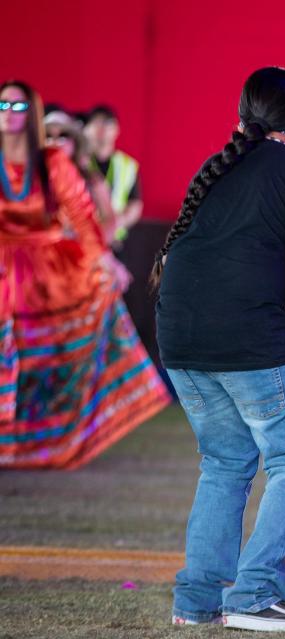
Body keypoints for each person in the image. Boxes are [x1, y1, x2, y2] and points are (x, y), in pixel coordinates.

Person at [153, 67, 285, 632]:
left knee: (226, 461)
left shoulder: (215, 168)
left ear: (242, 118)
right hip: (246, 336)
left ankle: (198, 601)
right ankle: (254, 595)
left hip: (180, 337)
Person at [0, 80, 169, 469]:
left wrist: (104, 261)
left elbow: (82, 213)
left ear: (33, 115)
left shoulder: (52, 162)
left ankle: (48, 442)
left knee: (48, 360)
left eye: (18, 108)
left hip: (47, 274)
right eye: (3, 107)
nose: (10, 116)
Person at [44, 109, 132, 290]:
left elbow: (110, 219)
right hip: (41, 264)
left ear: (74, 142)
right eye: (48, 136)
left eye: (63, 136)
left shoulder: (91, 180)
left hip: (84, 265)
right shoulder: (30, 180)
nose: (55, 142)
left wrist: (95, 250)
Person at [83, 104, 142, 249]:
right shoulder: (79, 162)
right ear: (86, 129)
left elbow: (135, 204)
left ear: (117, 130)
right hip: (83, 240)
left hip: (115, 243)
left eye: (108, 123)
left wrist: (115, 223)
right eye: (96, 123)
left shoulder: (127, 165)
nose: (102, 129)